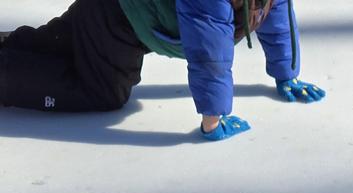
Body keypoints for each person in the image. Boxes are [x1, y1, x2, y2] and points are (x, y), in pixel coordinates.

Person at [0, 0, 324, 139]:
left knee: (58, 44)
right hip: (118, 21)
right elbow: (209, 51)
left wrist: (286, 74)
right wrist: (213, 118)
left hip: (114, 13)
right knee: (102, 92)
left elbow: (277, 18)